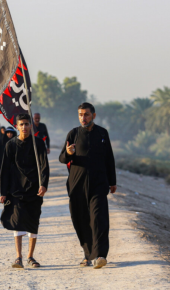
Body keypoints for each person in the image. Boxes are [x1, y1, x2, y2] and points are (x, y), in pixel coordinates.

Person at [59, 102, 116, 269]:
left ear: (94, 116)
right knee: (80, 219)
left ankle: (100, 255)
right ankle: (87, 254)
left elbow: (109, 160)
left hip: (98, 184)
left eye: (86, 115)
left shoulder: (102, 134)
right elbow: (62, 158)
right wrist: (69, 153)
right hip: (77, 185)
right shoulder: (74, 133)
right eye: (80, 115)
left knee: (99, 219)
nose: (83, 118)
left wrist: (112, 181)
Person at [0, 114, 49, 269]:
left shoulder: (38, 144)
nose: (25, 127)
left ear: (31, 125)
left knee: (33, 222)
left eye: (27, 124)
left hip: (34, 189)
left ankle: (30, 256)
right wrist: (3, 191)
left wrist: (44, 184)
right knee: (18, 222)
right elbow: (5, 169)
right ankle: (18, 257)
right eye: (21, 124)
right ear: (17, 126)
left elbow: (44, 166)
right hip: (16, 189)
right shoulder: (11, 145)